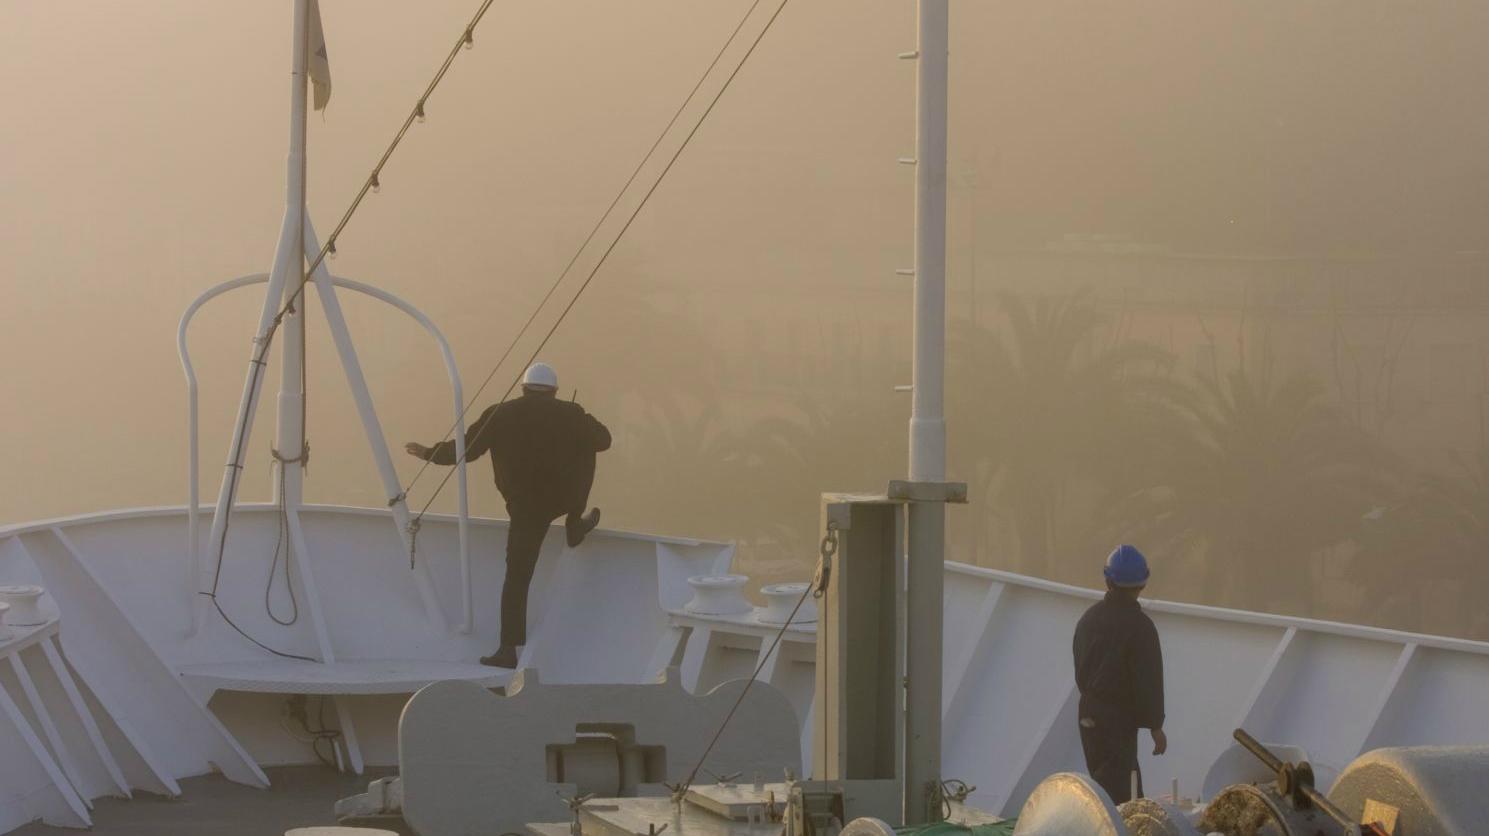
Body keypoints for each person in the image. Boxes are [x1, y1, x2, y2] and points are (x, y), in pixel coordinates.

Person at [405, 362, 610, 668]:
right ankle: (573, 523)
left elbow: (466, 450)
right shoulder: (573, 413)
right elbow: (604, 441)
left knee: (517, 577)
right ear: (554, 391)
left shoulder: (500, 414)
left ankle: (506, 650)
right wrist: (577, 417)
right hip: (565, 498)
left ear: (523, 388)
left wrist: (428, 452)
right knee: (588, 445)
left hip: (526, 507)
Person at [1072, 544, 1167, 804]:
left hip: (1088, 712)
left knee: (1102, 783)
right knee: (1126, 792)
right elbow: (1148, 681)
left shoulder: (1088, 620)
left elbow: (1080, 669)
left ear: (1108, 580)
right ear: (1142, 584)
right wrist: (1156, 726)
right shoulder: (1141, 627)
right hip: (1117, 719)